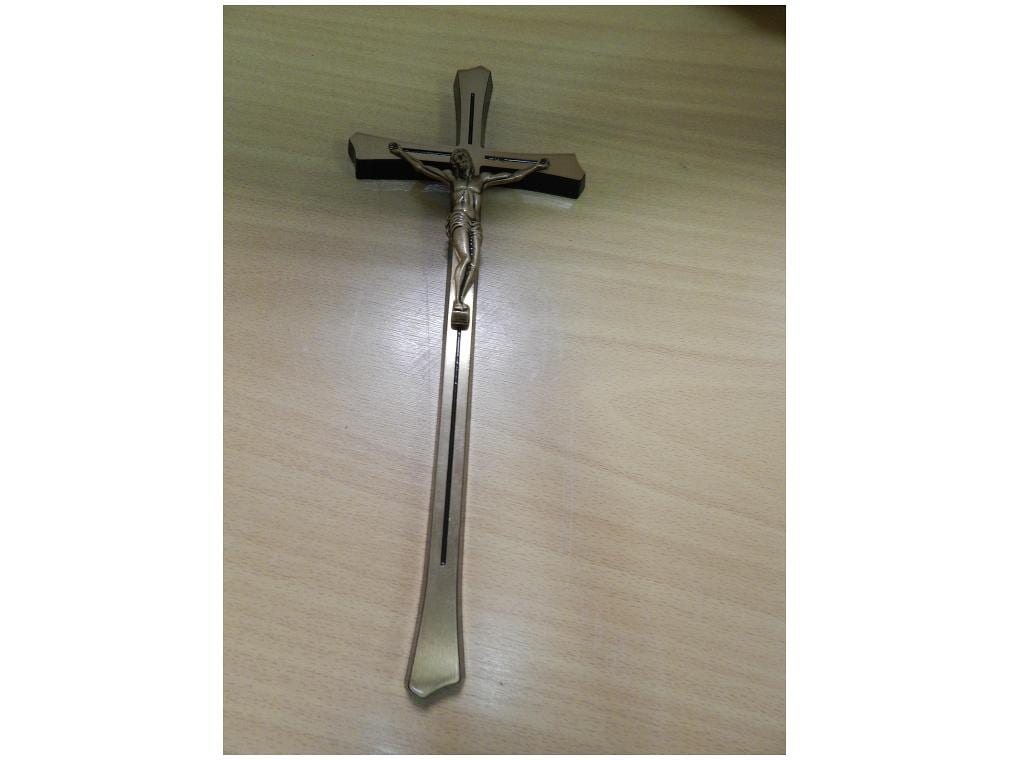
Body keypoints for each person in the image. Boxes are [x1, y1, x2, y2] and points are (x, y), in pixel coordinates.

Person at [389, 142, 549, 329]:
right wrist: (402, 153)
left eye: (463, 157)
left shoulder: (481, 180)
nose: (461, 161)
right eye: (457, 160)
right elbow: (422, 168)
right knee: (464, 258)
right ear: (454, 165)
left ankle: (462, 299)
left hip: (475, 223)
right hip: (459, 218)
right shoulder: (451, 179)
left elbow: (513, 177)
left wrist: (535, 167)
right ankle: (457, 300)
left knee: (474, 263)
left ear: (469, 160)